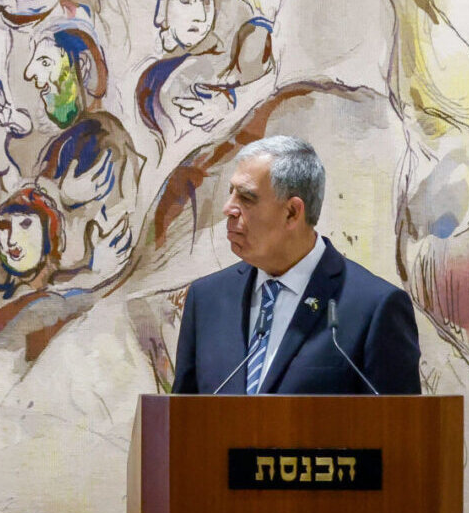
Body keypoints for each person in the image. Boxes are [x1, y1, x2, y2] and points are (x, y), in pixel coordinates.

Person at [171, 136, 419, 396]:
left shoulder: (374, 307)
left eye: (246, 198)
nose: (228, 209)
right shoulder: (206, 299)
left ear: (292, 212)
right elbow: (182, 419)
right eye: (230, 193)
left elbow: (399, 430)